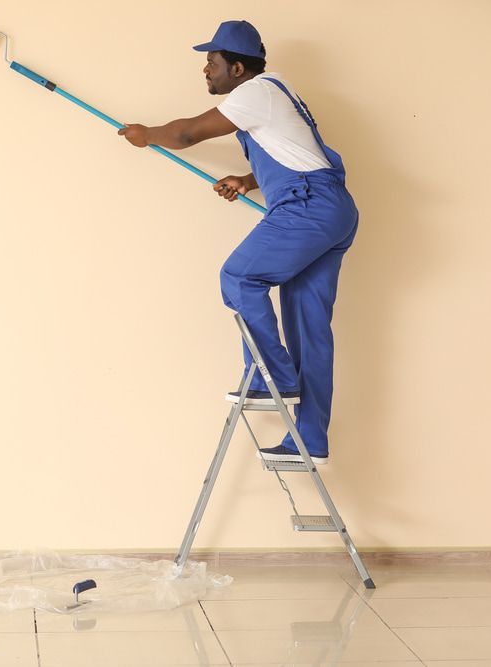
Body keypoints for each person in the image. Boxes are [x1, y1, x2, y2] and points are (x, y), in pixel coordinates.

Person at [118, 20, 358, 466]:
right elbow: (302, 157)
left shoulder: (254, 93)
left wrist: (146, 135)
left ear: (238, 67)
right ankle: (309, 442)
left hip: (307, 207)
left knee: (240, 275)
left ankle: (271, 377)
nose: (206, 71)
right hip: (330, 208)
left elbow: (187, 133)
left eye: (211, 63)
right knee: (309, 330)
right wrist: (249, 181)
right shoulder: (275, 92)